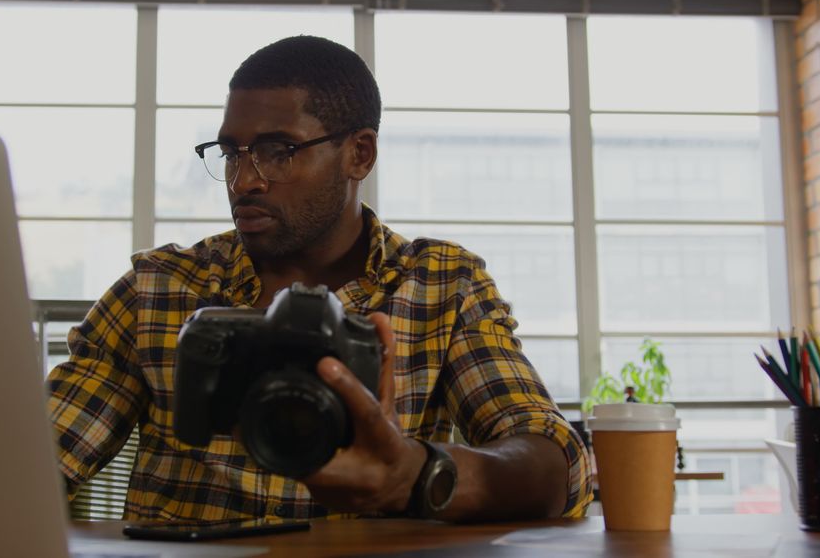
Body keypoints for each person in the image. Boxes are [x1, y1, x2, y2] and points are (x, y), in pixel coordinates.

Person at [46, 35, 592, 523]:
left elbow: (555, 461)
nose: (243, 181)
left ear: (360, 153)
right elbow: (35, 464)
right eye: (231, 153)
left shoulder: (440, 286)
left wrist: (415, 475)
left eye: (276, 152)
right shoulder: (158, 288)